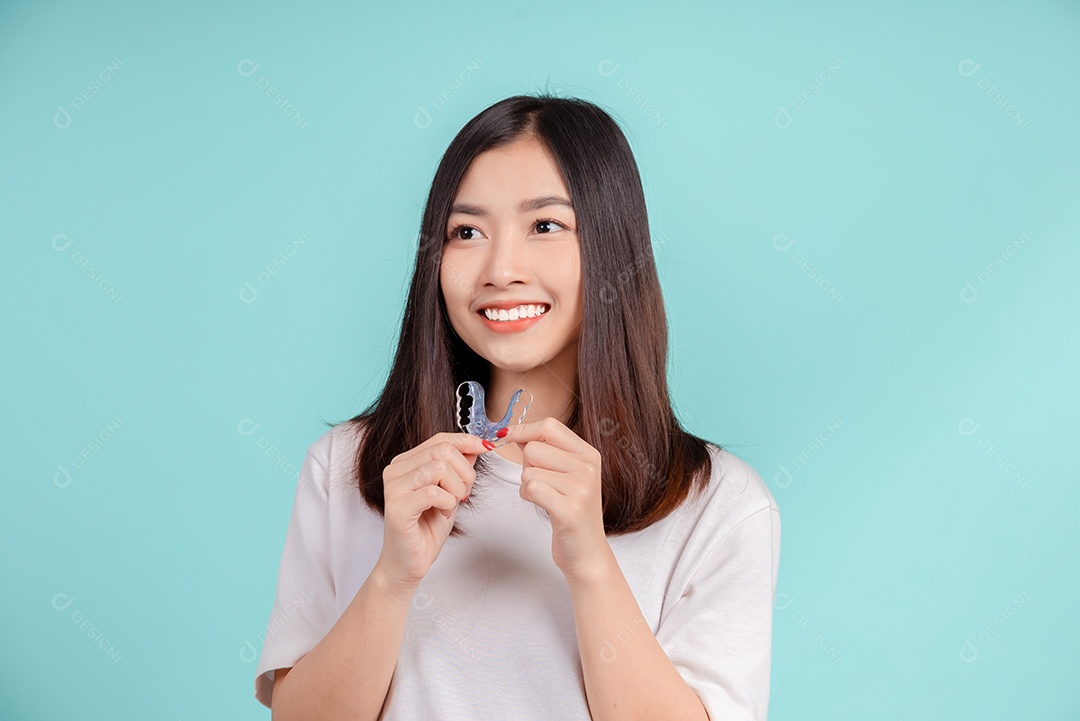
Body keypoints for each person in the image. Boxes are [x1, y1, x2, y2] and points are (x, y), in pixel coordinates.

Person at [253, 93, 781, 720]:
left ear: (613, 249)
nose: (501, 269)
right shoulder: (345, 468)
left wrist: (590, 565)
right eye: (466, 232)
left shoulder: (720, 504)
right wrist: (392, 579)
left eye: (546, 226)